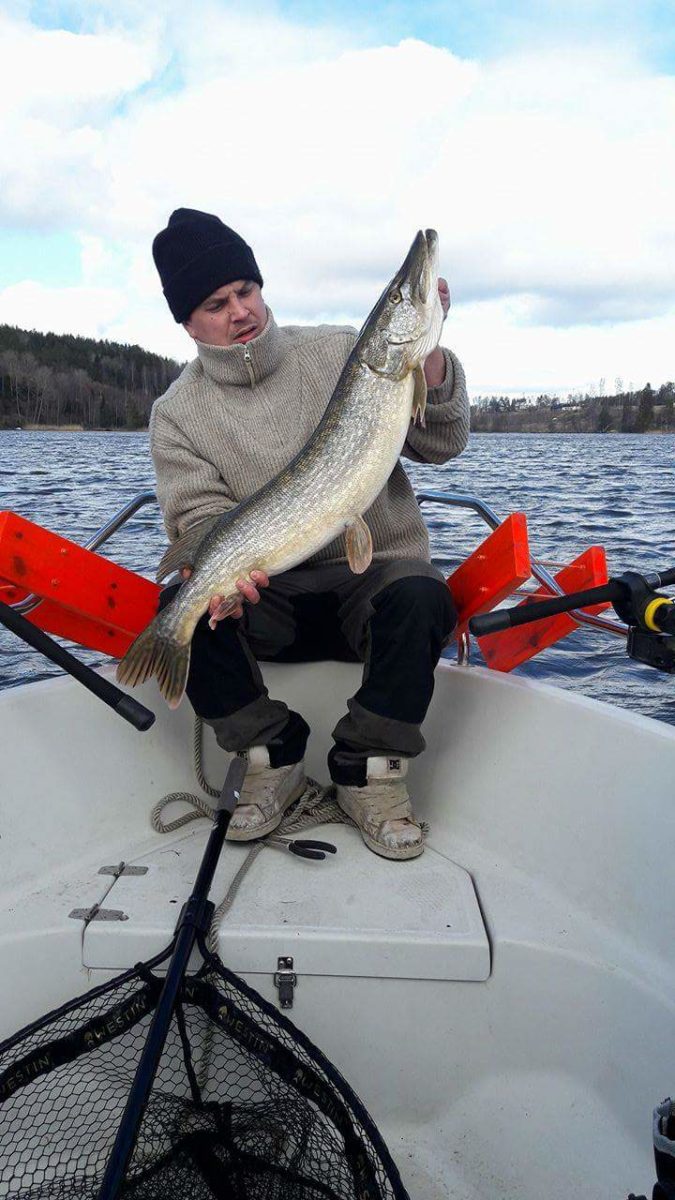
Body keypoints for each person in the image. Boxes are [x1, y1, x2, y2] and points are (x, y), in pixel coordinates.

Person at [150, 208, 469, 861]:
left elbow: (442, 444)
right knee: (182, 607)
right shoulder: (177, 414)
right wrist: (225, 580)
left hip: (369, 587)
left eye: (245, 290)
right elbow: (202, 520)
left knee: (422, 594)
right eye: (216, 303)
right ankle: (271, 756)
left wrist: (429, 356)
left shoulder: (340, 351)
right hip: (275, 600)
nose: (240, 311)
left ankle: (367, 772)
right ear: (188, 322)